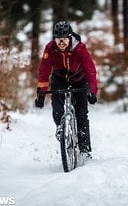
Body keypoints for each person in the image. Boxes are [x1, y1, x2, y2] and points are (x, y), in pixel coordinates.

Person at [35, 21, 98, 158]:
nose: (61, 42)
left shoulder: (80, 48)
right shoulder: (50, 48)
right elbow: (44, 71)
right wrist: (41, 94)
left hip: (79, 79)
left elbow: (90, 70)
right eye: (58, 39)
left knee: (81, 115)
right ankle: (61, 128)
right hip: (60, 79)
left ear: (69, 38)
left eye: (64, 39)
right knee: (57, 107)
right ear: (54, 39)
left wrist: (92, 91)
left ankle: (85, 149)